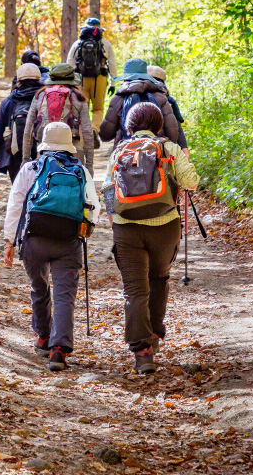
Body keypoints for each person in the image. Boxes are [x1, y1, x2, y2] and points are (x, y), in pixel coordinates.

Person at [102, 102, 199, 374]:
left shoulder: (120, 150)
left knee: (135, 291)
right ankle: (155, 335)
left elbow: (107, 190)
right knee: (159, 279)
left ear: (129, 126)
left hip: (127, 228)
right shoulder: (169, 148)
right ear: (159, 126)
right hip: (164, 225)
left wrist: (116, 223)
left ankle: (142, 353)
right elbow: (191, 182)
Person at [4, 122, 101, 372]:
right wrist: (86, 229)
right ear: (69, 144)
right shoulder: (80, 169)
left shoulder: (31, 167)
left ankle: (43, 336)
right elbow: (94, 206)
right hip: (68, 241)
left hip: (34, 239)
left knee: (39, 287)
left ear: (43, 143)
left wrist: (9, 241)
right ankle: (59, 351)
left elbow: (15, 202)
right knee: (64, 294)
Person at [21, 64, 95, 175]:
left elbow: (28, 129)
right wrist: (89, 165)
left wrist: (25, 158)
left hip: (44, 151)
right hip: (73, 152)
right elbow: (87, 132)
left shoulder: (40, 96)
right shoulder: (79, 98)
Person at [98, 58, 180, 150]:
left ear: (125, 78)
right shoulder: (161, 98)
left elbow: (105, 135)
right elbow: (172, 135)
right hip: (156, 153)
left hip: (126, 153)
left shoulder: (118, 99)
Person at [0, 64, 42, 183]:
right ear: (38, 79)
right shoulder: (44, 99)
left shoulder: (8, 102)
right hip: (40, 154)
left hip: (14, 155)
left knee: (19, 190)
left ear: (18, 79)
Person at [66, 18, 116, 129]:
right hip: (100, 78)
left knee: (82, 108)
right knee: (98, 109)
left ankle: (83, 134)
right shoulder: (105, 43)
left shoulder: (78, 43)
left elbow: (69, 63)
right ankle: (94, 128)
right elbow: (112, 63)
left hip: (81, 79)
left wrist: (69, 82)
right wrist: (113, 84)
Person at [146, 65, 189, 154]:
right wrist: (184, 148)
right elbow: (178, 127)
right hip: (164, 146)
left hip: (140, 146)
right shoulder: (169, 100)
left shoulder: (135, 98)